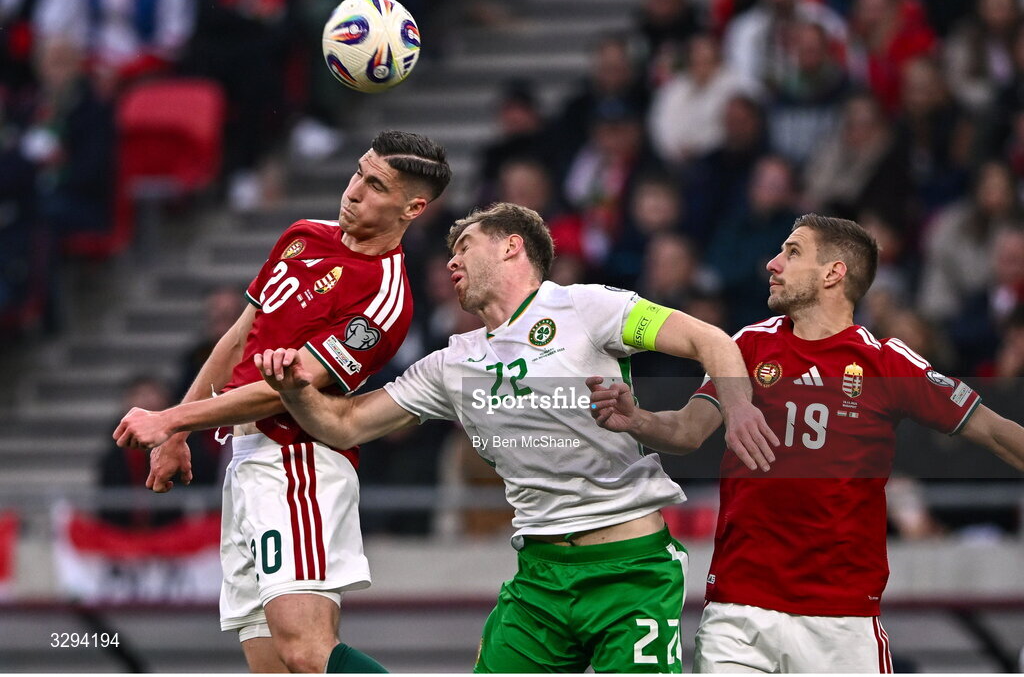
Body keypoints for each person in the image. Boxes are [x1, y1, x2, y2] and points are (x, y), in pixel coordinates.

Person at [254, 202, 778, 673]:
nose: (450, 263)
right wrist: (296, 390)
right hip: (538, 579)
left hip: (631, 569)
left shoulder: (585, 307)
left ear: (511, 246)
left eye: (464, 246)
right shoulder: (450, 364)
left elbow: (709, 340)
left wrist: (736, 409)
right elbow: (344, 423)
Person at [588, 213, 1024, 673]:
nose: (773, 263)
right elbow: (687, 431)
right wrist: (637, 419)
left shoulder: (884, 362)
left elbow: (995, 431)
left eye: (793, 252)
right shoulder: (749, 346)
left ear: (834, 273)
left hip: (842, 618)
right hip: (740, 612)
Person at [112, 130, 452, 674]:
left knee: (306, 651)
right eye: (357, 172)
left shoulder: (387, 297)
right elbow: (238, 339)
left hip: (299, 465)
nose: (353, 190)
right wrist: (178, 434)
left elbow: (289, 387)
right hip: (244, 465)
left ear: (412, 207)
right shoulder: (301, 235)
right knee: (272, 665)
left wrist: (171, 416)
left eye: (375, 184)